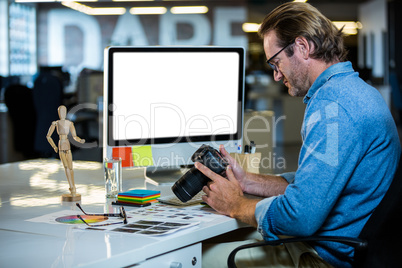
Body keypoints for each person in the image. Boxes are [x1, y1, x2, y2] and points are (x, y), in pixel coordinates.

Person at [199, 2, 401, 268]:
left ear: (303, 47)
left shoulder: (334, 106)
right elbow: (317, 186)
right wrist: (249, 182)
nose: (275, 75)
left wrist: (236, 204)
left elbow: (300, 217)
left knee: (197, 258)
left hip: (323, 257)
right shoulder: (356, 91)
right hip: (344, 243)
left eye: (276, 62)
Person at [47, 105, 85, 198]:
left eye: (64, 111)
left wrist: (80, 140)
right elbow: (48, 136)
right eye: (61, 111)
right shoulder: (55, 123)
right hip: (60, 145)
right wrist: (54, 146)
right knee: (66, 167)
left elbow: (75, 136)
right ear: (58, 113)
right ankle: (72, 187)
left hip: (67, 145)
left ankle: (73, 187)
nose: (62, 113)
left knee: (71, 168)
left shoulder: (69, 123)